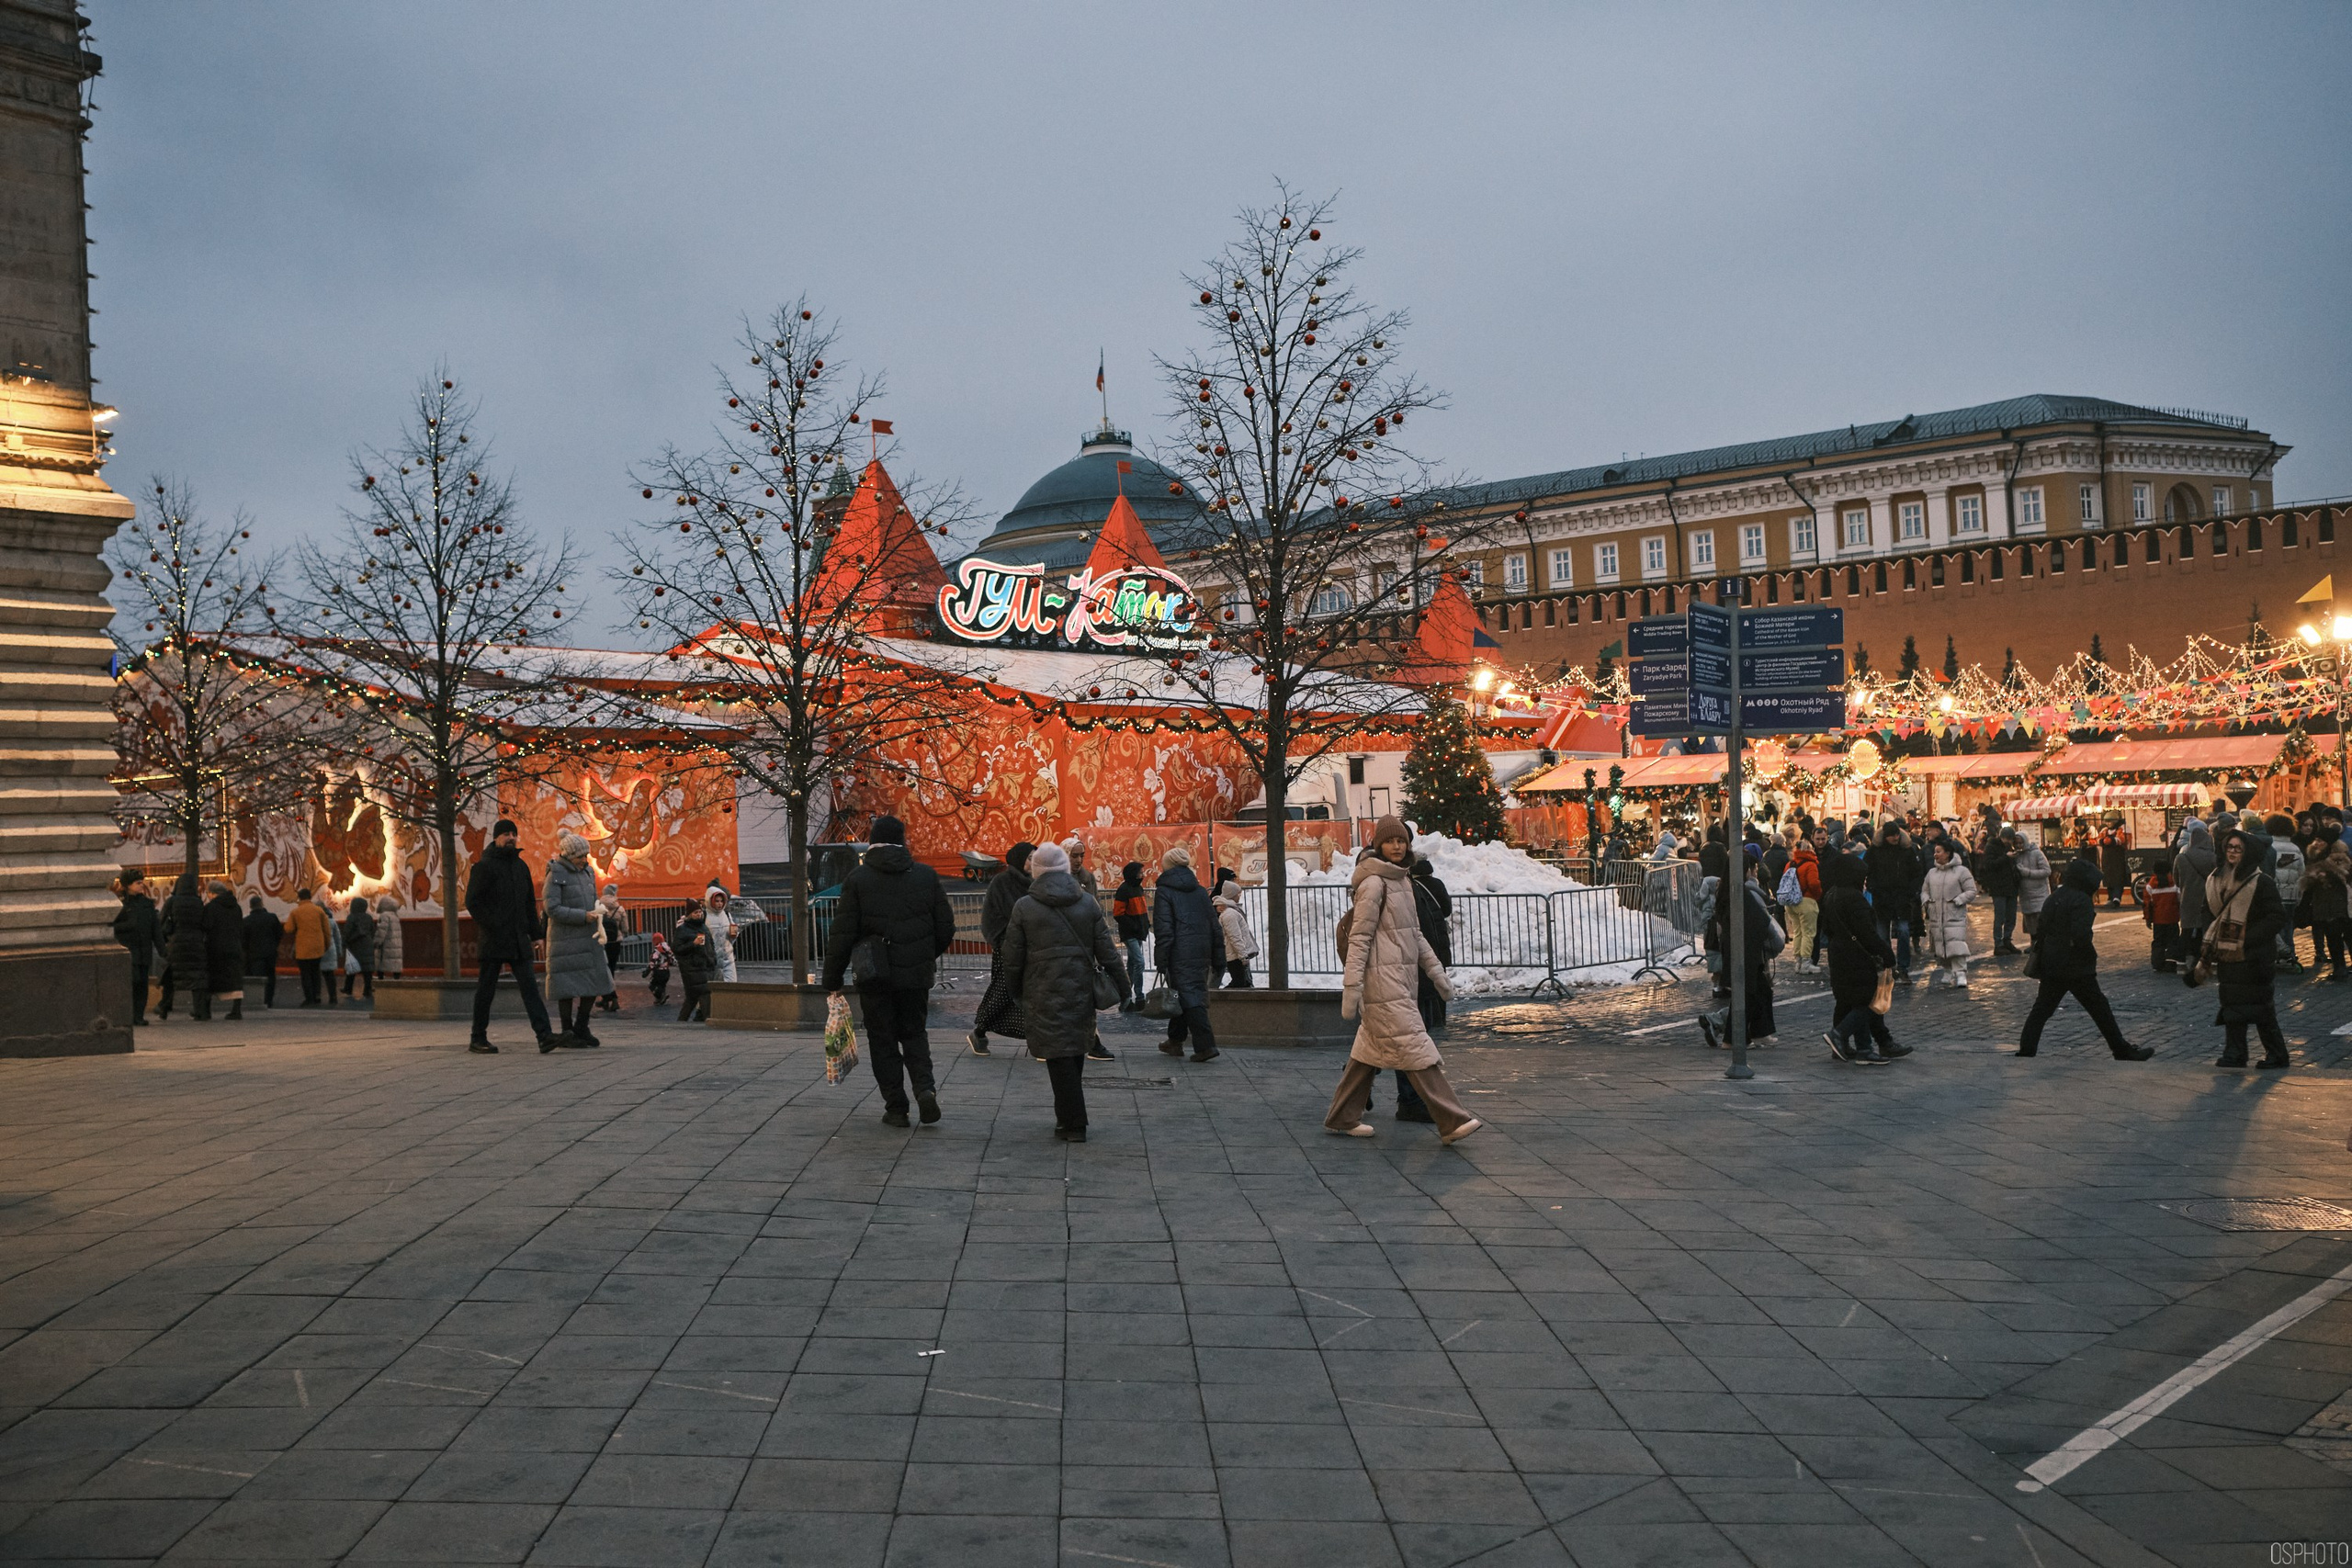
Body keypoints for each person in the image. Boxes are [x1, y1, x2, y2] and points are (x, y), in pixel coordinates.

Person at [1323, 815, 1479, 1144]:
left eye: (1402, 841)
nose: (1397, 846)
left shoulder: (1402, 880)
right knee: (1416, 1048)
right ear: (1378, 845)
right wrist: (1352, 988)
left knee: (1366, 1055)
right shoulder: (1373, 883)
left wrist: (1437, 975)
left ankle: (1342, 1116)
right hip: (1383, 985)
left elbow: (1415, 936)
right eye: (1390, 841)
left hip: (1400, 982)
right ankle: (1452, 1120)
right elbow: (1360, 938)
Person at [821, 814, 957, 1128]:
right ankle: (925, 1089)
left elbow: (842, 933)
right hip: (915, 976)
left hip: (874, 976)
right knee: (914, 1034)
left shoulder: (858, 879)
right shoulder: (925, 875)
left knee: (882, 1040)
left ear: (873, 841)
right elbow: (946, 926)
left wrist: (832, 978)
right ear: (902, 839)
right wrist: (923, 955)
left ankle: (896, 1107)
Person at [1000, 840, 1124, 1142]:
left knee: (1058, 1055)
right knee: (1075, 1048)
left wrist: (1015, 990)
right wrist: (1124, 985)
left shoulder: (1025, 907)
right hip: (1080, 986)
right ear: (1066, 867)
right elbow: (1107, 950)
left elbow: (1013, 956)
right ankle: (1066, 1117)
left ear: (1038, 870)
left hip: (1041, 988)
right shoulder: (1086, 903)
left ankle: (1073, 1123)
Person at [2017, 859, 2151, 1060]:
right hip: (2076, 966)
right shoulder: (2081, 900)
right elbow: (2081, 935)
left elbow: (2042, 929)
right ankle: (2120, 1049)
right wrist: (2088, 954)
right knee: (2099, 1009)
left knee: (2042, 1009)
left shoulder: (2054, 897)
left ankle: (2027, 1048)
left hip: (2052, 963)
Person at [2196, 825, 2290, 1070]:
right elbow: (2208, 911)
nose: (2233, 852)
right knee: (2232, 1007)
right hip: (2228, 954)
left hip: (2254, 955)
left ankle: (2277, 1054)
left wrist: (2247, 938)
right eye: (2229, 847)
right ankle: (2235, 1053)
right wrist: (2213, 935)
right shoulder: (2215, 879)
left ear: (2247, 852)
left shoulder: (2261, 882)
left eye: (2238, 848)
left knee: (2261, 1009)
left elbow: (2275, 917)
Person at [464, 818, 557, 1055]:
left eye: (513, 834)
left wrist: (536, 934)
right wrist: (492, 925)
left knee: (530, 988)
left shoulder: (520, 867)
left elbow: (528, 904)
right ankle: (478, 1037)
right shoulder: (483, 866)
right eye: (505, 834)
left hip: (518, 939)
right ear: (496, 838)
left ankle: (544, 1036)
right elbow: (473, 902)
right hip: (494, 938)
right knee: (486, 989)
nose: (510, 838)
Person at [1819, 853, 1902, 1064]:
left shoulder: (1831, 895)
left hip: (1838, 953)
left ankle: (1858, 1047)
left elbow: (1826, 928)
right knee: (1865, 1000)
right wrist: (1887, 955)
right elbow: (1868, 934)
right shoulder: (1855, 899)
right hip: (1856, 956)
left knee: (1846, 1000)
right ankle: (1839, 1035)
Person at [1698, 850, 1779, 1051]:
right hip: (1744, 951)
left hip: (1744, 949)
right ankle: (1733, 1039)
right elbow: (1757, 920)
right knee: (1747, 994)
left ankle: (1758, 1033)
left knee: (1758, 991)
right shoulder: (1737, 893)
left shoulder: (1730, 890)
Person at [1152, 843, 1224, 1063]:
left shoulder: (1165, 892)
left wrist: (1161, 959)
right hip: (1201, 949)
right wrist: (1218, 955)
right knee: (1185, 993)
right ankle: (1175, 1041)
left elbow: (1164, 929)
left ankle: (1205, 1046)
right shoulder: (1201, 891)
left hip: (1179, 952)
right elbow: (1214, 924)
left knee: (1190, 997)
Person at [543, 831, 611, 1049]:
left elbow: (592, 899)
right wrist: (582, 916)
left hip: (588, 937)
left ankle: (582, 1026)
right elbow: (552, 908)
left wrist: (598, 910)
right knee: (566, 985)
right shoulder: (556, 874)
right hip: (565, 940)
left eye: (586, 855)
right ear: (568, 855)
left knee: (593, 982)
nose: (585, 860)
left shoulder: (588, 872)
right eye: (580, 856)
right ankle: (567, 1031)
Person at [968, 840, 1035, 1055]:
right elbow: (993, 916)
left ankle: (1035, 1038)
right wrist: (1002, 940)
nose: (1032, 863)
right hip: (1008, 948)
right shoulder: (1002, 882)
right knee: (1004, 990)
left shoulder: (1034, 882)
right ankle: (979, 1031)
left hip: (1028, 947)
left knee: (1026, 992)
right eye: (1029, 858)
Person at [1866, 822, 1923, 983]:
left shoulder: (1907, 851)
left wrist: (1911, 891)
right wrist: (1874, 888)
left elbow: (1916, 873)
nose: (1896, 838)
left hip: (1902, 898)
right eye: (1892, 835)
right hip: (1882, 899)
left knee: (1904, 932)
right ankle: (1888, 967)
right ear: (1885, 836)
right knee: (1883, 936)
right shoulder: (1875, 851)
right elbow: (1868, 871)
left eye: (1897, 835)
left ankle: (1903, 968)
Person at [1919, 839, 1978, 988]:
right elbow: (1924, 890)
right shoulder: (1932, 873)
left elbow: (1971, 890)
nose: (1935, 855)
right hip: (1936, 916)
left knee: (1956, 944)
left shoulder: (1962, 871)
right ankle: (1947, 970)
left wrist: (1958, 900)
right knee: (1940, 945)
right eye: (1935, 852)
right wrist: (1926, 901)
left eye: (1939, 852)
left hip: (1954, 915)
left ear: (1948, 853)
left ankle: (1960, 973)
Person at [2303, 837, 2352, 980]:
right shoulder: (2340, 858)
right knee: (2344, 937)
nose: (2317, 843)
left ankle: (2340, 969)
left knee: (2334, 938)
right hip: (2341, 905)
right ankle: (2340, 969)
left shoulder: (2326, 862)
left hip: (2331, 905)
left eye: (2321, 840)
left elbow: (2307, 883)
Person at [113, 878, 160, 1026]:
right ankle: (128, 1014)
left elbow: (155, 928)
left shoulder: (146, 904)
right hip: (127, 948)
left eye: (141, 882)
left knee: (142, 983)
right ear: (128, 885)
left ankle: (139, 1015)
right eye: (137, 883)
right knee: (133, 980)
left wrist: (162, 948)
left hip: (144, 949)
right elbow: (112, 926)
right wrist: (128, 926)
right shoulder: (120, 903)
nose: (141, 885)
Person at [163, 874, 209, 1020]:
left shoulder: (172, 901)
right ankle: (199, 1012)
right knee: (197, 979)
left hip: (177, 944)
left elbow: (161, 920)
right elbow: (204, 923)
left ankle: (164, 1008)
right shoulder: (198, 902)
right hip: (196, 944)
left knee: (172, 977)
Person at [2173, 817, 2217, 958]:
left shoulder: (2182, 857)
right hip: (2207, 897)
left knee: (2186, 929)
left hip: (2188, 897)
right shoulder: (2212, 857)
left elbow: (2176, 879)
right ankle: (2200, 956)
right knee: (2203, 928)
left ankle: (2180, 959)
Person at [2266, 815, 2304, 975]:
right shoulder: (2296, 849)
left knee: (2273, 929)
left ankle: (2279, 957)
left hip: (2274, 894)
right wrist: (2298, 896)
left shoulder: (2269, 848)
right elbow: (2302, 874)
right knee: (2288, 927)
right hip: (2291, 895)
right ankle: (2291, 956)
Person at [203, 879, 245, 1021]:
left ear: (212, 893)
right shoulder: (236, 907)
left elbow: (206, 927)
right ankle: (236, 1010)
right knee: (235, 979)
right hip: (234, 946)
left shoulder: (211, 908)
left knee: (211, 979)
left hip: (216, 948)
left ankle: (206, 1011)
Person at [1110, 861, 1150, 1010]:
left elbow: (1142, 910)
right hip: (1130, 933)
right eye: (1140, 873)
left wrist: (1145, 925)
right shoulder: (1124, 890)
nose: (1143, 875)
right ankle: (1139, 996)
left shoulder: (1138, 888)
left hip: (1138, 931)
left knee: (1133, 965)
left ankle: (1126, 997)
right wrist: (1134, 926)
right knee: (1139, 963)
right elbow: (1118, 913)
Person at [1781, 831, 1822, 974]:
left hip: (1791, 902)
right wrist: (1817, 896)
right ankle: (1806, 962)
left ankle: (1798, 962)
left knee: (1798, 932)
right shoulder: (1811, 865)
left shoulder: (1790, 863)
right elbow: (1814, 884)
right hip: (1806, 900)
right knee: (1808, 933)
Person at [287, 886, 333, 1008]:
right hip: (318, 947)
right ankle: (317, 995)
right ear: (310, 897)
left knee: (305, 974)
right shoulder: (319, 910)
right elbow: (326, 930)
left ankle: (309, 998)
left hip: (303, 948)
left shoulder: (296, 912)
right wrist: (326, 944)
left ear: (299, 898)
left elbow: (288, 928)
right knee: (316, 972)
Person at [669, 905, 717, 1022]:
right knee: (704, 993)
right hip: (691, 968)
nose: (699, 914)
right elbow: (676, 948)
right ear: (689, 914)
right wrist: (693, 944)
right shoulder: (683, 929)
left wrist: (712, 959)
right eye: (696, 912)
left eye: (700, 912)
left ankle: (682, 1021)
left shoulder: (704, 927)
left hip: (704, 967)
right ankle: (707, 1019)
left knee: (691, 998)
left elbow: (711, 944)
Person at [1977, 831, 2021, 955]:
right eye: (2008, 839)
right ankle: (1998, 944)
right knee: (2000, 917)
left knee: (2011, 917)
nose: (2009, 842)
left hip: (2011, 887)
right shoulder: (1991, 846)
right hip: (1998, 887)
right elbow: (1989, 865)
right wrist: (2006, 857)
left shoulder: (2009, 847)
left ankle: (2007, 940)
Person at [1213, 874, 1259, 987]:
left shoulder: (1231, 910)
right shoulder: (1230, 914)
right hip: (1235, 956)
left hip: (1235, 954)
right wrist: (1243, 956)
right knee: (1239, 983)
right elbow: (1235, 936)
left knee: (1241, 983)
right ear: (1232, 895)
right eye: (1238, 894)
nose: (1240, 896)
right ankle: (1223, 1003)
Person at [242, 895, 283, 1009]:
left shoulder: (246, 921)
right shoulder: (272, 918)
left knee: (257, 978)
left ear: (250, 906)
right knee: (270, 976)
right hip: (270, 953)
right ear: (261, 904)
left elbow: (243, 940)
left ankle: (259, 1000)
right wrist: (274, 945)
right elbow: (279, 933)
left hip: (254, 955)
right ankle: (269, 1000)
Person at [2013, 830, 2052, 942]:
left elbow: (2046, 871)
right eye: (2017, 843)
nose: (2019, 845)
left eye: (2021, 843)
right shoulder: (2016, 855)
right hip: (2025, 894)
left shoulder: (2036, 853)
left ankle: (2041, 944)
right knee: (2030, 921)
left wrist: (2028, 873)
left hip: (2039, 893)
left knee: (2039, 920)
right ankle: (2034, 944)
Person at [2143, 860, 2181, 972]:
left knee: (2158, 942)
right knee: (2173, 941)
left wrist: (2148, 919)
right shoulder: (2174, 884)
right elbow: (2179, 899)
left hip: (2158, 920)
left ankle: (2157, 963)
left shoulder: (2150, 886)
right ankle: (2171, 962)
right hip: (2172, 918)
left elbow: (2147, 905)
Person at [596, 883, 626, 1012]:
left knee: (603, 970)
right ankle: (612, 999)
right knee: (611, 970)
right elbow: (625, 928)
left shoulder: (598, 906)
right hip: (615, 942)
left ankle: (607, 998)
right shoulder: (619, 909)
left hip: (601, 942)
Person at [701, 884, 740, 984]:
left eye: (722, 901)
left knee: (732, 987)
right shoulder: (704, 916)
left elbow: (732, 937)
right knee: (712, 990)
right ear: (710, 900)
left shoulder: (726, 915)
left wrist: (734, 934)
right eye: (717, 901)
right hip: (711, 962)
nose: (720, 904)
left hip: (728, 959)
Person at [341, 896, 377, 1000]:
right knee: (367, 970)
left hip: (355, 945)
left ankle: (348, 988)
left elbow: (347, 931)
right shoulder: (368, 917)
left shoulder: (351, 917)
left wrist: (344, 942)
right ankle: (367, 990)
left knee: (352, 967)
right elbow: (372, 931)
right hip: (368, 945)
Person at [2098, 818, 2134, 907]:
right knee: (2108, 877)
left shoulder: (2123, 828)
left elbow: (2124, 839)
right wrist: (2102, 841)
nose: (2108, 823)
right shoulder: (2105, 830)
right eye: (2107, 822)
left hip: (2119, 858)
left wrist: (2113, 841)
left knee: (2118, 877)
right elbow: (2098, 839)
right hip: (2107, 858)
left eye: (2110, 821)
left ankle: (2117, 897)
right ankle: (2110, 897)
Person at [374, 895, 403, 981]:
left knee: (382, 961)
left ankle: (380, 977)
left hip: (386, 944)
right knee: (395, 959)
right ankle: (397, 976)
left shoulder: (384, 916)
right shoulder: (395, 915)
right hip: (396, 943)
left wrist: (377, 942)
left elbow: (382, 930)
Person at [645, 935, 673, 1006]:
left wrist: (647, 971)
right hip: (666, 971)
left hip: (658, 972)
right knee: (662, 985)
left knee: (652, 985)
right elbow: (673, 960)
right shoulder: (668, 950)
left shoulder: (657, 951)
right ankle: (660, 998)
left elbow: (653, 962)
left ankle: (660, 996)